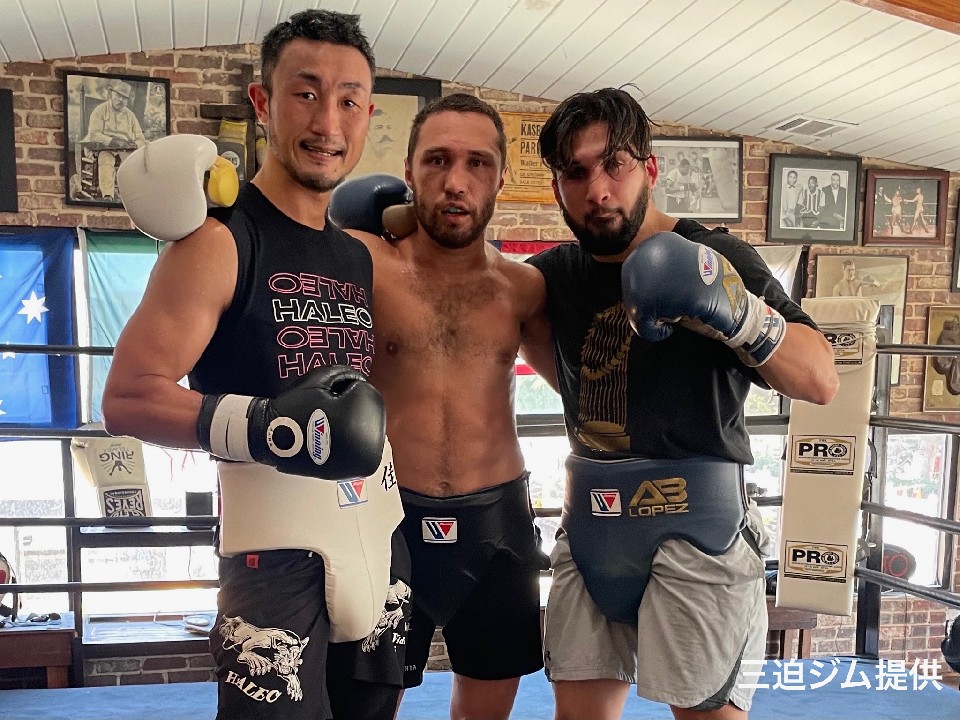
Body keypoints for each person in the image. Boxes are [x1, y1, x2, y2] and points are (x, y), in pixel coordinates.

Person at [102, 10, 409, 720]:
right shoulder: (219, 242)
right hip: (271, 550)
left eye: (349, 101)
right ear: (263, 103)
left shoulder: (356, 255)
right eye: (306, 93)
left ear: (368, 116)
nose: (327, 122)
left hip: (377, 528)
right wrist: (268, 424)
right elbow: (128, 397)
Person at [523, 87, 839, 720]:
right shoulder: (554, 276)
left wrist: (736, 313)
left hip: (699, 527)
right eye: (576, 173)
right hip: (592, 526)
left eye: (614, 164)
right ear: (557, 187)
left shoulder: (716, 258)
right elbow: (536, 345)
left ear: (650, 167)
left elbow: (820, 378)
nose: (598, 190)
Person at [330, 93, 549, 720]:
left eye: (477, 163)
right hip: (386, 518)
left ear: (501, 178)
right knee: (363, 709)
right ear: (409, 170)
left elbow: (583, 388)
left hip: (496, 527)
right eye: (437, 161)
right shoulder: (363, 264)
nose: (456, 181)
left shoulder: (523, 287)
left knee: (487, 709)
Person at [81, 80, 147, 200]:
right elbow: (94, 134)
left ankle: (129, 195)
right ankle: (108, 195)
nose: (120, 100)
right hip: (102, 147)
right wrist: (111, 141)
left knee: (133, 163)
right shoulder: (100, 110)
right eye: (118, 95)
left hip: (124, 149)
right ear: (111, 94)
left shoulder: (130, 116)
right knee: (106, 159)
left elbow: (140, 138)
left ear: (127, 100)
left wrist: (134, 145)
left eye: (124, 98)